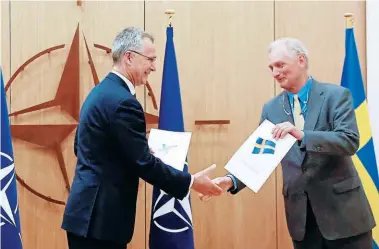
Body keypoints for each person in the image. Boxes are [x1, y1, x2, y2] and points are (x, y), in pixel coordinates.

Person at [203, 37, 376, 249]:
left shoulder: (336, 96)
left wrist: (303, 135)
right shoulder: (272, 109)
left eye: (280, 65)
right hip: (302, 220)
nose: (275, 72)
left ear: (301, 60)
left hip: (344, 217)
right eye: (271, 67)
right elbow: (261, 155)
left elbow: (349, 141)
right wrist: (231, 180)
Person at [61, 27, 223, 249]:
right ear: (129, 57)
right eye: (151, 59)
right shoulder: (124, 102)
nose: (154, 67)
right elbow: (144, 164)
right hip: (101, 223)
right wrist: (192, 182)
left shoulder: (99, 92)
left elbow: (82, 147)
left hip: (86, 218)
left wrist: (134, 148)